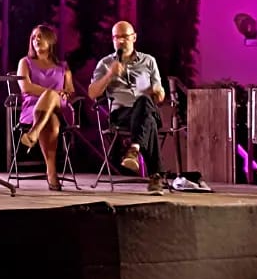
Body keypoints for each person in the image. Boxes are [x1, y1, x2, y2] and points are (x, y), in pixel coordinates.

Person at [88, 20, 166, 194]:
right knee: (149, 121)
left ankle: (134, 149)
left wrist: (158, 92)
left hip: (146, 109)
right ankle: (155, 176)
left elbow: (160, 95)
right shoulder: (105, 63)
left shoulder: (149, 61)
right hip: (121, 114)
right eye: (116, 37)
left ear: (134, 37)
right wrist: (109, 75)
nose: (121, 41)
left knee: (144, 102)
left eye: (124, 37)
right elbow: (92, 93)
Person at [16, 23, 76, 191]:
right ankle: (51, 172)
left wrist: (63, 94)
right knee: (52, 121)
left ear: (51, 40)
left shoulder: (63, 66)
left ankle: (33, 133)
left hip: (60, 108)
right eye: (34, 37)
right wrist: (52, 93)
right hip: (33, 108)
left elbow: (70, 91)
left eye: (40, 36)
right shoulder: (25, 62)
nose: (36, 40)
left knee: (51, 97)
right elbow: (26, 87)